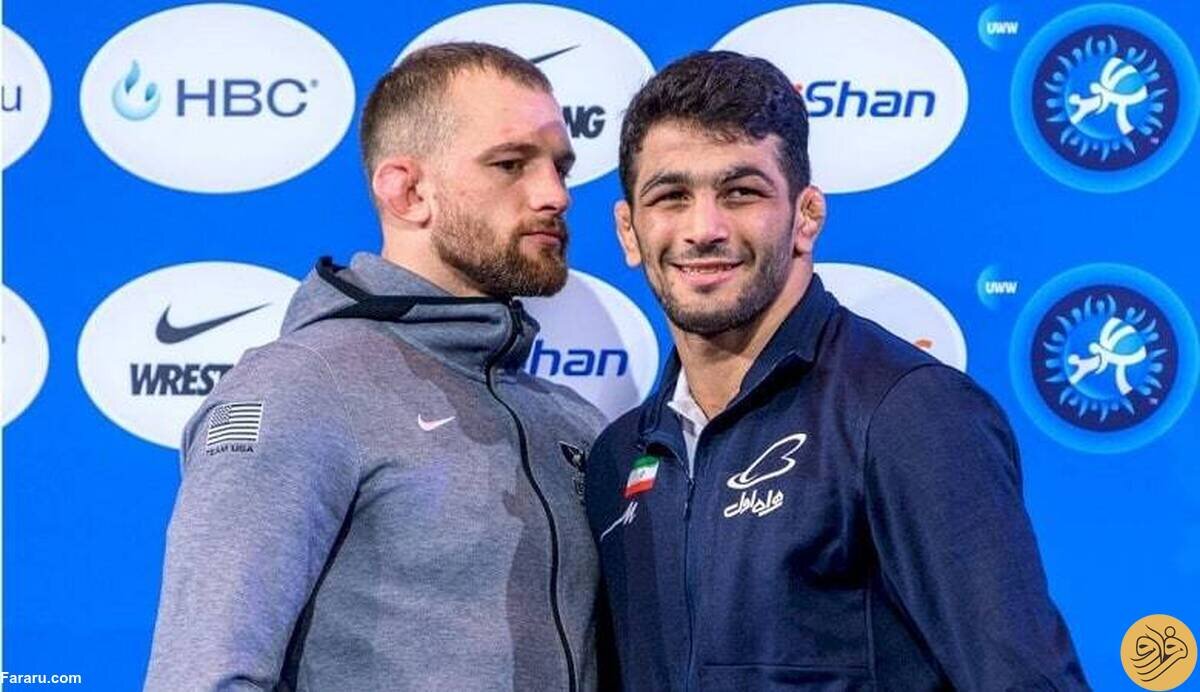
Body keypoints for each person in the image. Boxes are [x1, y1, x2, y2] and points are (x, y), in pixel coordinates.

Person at [585, 51, 1090, 690]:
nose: (703, 229)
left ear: (806, 216)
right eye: (671, 196)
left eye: (741, 193)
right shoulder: (618, 458)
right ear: (629, 231)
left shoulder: (906, 412)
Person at [146, 43, 609, 691]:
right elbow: (202, 677)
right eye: (511, 164)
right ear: (408, 191)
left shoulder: (570, 419)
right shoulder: (300, 388)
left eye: (560, 167)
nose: (554, 195)